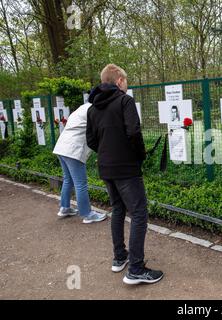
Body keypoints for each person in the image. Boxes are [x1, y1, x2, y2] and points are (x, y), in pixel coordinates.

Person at [86, 64, 164, 285]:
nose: (127, 84)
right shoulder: (125, 101)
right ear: (119, 80)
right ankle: (136, 269)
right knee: (139, 213)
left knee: (118, 209)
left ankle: (120, 257)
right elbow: (134, 132)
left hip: (106, 168)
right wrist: (139, 156)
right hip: (126, 168)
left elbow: (91, 140)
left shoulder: (92, 108)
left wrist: (107, 152)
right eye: (126, 80)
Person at [52, 102, 107, 224]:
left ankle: (65, 207)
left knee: (68, 179)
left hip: (61, 147)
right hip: (73, 150)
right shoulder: (94, 110)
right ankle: (87, 214)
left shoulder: (81, 108)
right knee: (81, 184)